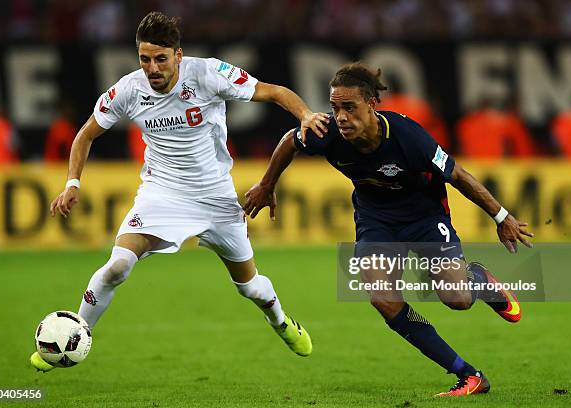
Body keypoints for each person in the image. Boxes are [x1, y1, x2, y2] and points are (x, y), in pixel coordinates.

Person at [30, 11, 329, 372]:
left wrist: (306, 115)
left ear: (178, 56)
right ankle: (74, 337)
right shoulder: (128, 89)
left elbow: (276, 92)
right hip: (163, 193)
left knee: (249, 287)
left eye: (160, 59)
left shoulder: (208, 74)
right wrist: (72, 183)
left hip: (216, 197)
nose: (152, 68)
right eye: (144, 59)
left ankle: (281, 323)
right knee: (118, 265)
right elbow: (85, 134)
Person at [243, 62, 534, 397]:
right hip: (376, 219)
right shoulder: (327, 133)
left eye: (349, 108)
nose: (340, 117)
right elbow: (290, 142)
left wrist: (501, 218)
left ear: (371, 105)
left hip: (425, 218)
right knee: (383, 298)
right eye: (335, 107)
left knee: (457, 299)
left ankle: (478, 280)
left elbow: (458, 176)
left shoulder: (408, 137)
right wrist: (266, 185)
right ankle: (468, 375)